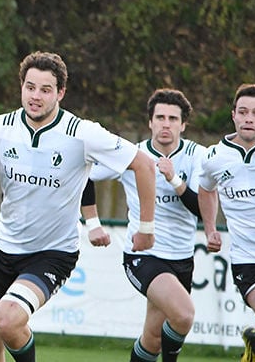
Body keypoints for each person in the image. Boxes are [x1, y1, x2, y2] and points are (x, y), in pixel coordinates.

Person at [0, 51, 156, 362]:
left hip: (53, 253)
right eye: (30, 87)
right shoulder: (0, 128)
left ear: (60, 93)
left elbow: (144, 165)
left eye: (45, 89)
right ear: (21, 87)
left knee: (8, 317)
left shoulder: (82, 133)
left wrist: (146, 228)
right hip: (4, 250)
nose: (35, 96)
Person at [82, 88, 205, 362]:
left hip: (182, 258)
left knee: (152, 339)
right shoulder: (132, 155)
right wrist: (93, 223)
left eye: (173, 118)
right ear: (149, 122)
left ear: (183, 125)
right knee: (183, 314)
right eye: (160, 117)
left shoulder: (197, 155)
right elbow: (85, 175)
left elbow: (199, 208)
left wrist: (174, 179)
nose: (166, 124)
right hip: (144, 256)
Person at [198, 84, 255, 362]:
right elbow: (206, 189)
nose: (249, 118)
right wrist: (211, 229)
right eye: (243, 112)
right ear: (234, 116)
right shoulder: (214, 156)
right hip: (250, 260)